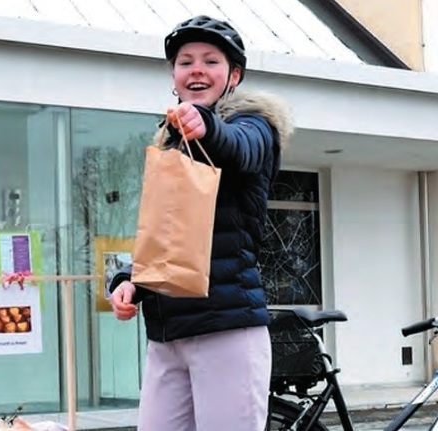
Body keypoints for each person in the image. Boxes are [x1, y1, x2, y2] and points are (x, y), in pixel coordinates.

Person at [108, 15, 292, 431]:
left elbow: (238, 148)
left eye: (211, 61)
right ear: (173, 76)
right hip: (167, 332)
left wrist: (206, 124)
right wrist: (129, 280)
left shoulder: (255, 126)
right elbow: (164, 236)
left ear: (233, 75)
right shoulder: (168, 143)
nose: (197, 70)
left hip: (226, 328)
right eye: (185, 61)